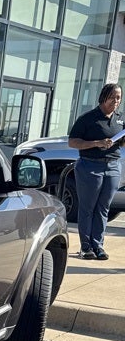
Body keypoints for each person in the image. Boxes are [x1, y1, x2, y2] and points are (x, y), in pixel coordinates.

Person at [68, 82, 124, 260]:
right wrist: (97, 143)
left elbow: (121, 143)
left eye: (119, 98)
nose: (116, 101)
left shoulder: (120, 119)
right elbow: (73, 142)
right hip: (90, 166)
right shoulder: (88, 118)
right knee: (87, 208)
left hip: (113, 167)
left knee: (103, 208)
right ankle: (86, 247)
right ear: (103, 97)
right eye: (113, 97)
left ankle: (98, 246)